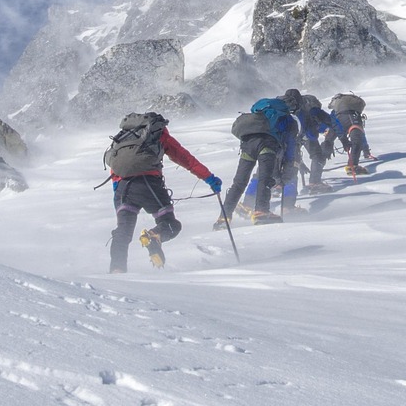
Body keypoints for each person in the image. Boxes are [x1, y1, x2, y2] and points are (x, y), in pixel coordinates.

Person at [106, 112, 221, 273]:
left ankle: (117, 271)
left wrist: (117, 196)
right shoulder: (157, 134)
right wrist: (209, 178)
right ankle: (155, 235)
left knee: (123, 232)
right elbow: (185, 158)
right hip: (150, 185)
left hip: (123, 188)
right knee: (170, 224)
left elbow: (115, 169)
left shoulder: (122, 138)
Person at [216, 95, 298, 226]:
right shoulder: (289, 120)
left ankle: (224, 217)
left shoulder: (261, 112)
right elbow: (290, 148)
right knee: (265, 179)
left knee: (239, 182)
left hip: (248, 144)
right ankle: (262, 211)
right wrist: (287, 170)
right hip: (267, 145)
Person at [296, 92, 341, 194]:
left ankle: (277, 184)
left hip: (291, 135)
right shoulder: (314, 111)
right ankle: (315, 182)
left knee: (289, 159)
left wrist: (299, 162)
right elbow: (330, 123)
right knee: (318, 156)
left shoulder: (295, 111)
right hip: (307, 135)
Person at [329, 92, 374, 176]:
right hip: (354, 118)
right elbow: (361, 136)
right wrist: (365, 149)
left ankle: (320, 161)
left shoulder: (336, 111)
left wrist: (343, 140)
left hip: (341, 121)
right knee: (357, 138)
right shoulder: (355, 111)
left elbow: (336, 127)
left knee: (329, 139)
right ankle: (352, 165)